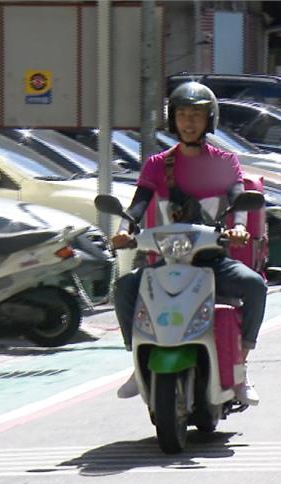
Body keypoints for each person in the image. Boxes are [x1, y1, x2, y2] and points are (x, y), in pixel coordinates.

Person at [111, 81, 267, 406]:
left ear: (209, 119)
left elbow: (238, 200)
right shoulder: (157, 164)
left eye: (196, 114)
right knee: (125, 287)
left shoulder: (224, 161)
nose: (188, 122)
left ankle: (241, 365)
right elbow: (138, 204)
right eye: (182, 114)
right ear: (172, 119)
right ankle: (136, 362)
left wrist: (238, 229)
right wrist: (125, 229)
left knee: (254, 286)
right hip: (167, 259)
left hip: (211, 258)